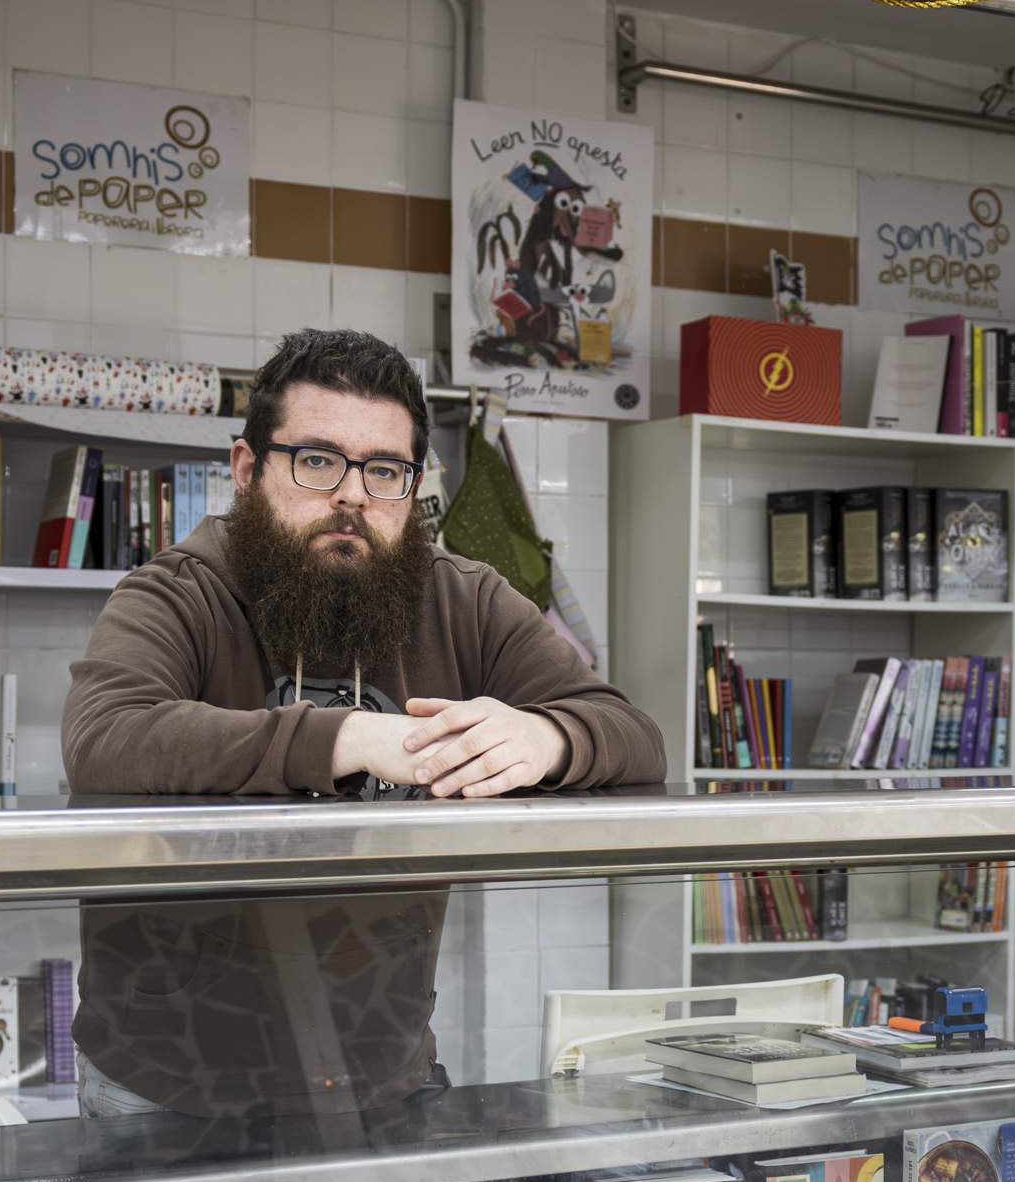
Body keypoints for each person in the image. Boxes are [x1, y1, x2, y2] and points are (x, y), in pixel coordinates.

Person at [61, 328, 666, 1125]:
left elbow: (630, 732)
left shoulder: (463, 599)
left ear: (413, 487)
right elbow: (105, 738)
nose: (352, 495)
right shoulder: (176, 593)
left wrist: (547, 737)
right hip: (167, 1094)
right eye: (316, 460)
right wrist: (343, 738)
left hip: (385, 1080)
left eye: (384, 471)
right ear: (246, 470)